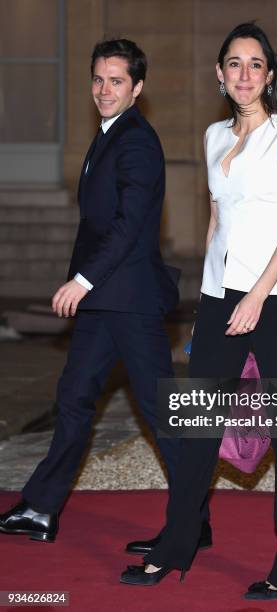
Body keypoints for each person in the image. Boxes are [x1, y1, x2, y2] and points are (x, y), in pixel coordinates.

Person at [119, 23, 277, 601]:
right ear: (219, 73)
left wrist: (256, 295)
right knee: (199, 429)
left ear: (269, 74)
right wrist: (211, 300)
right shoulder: (213, 137)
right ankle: (174, 548)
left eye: (255, 64)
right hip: (220, 299)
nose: (244, 74)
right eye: (233, 64)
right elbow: (217, 220)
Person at [0, 38, 212, 551]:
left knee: (159, 410)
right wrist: (87, 282)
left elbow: (129, 224)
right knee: (73, 399)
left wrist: (82, 280)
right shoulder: (109, 135)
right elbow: (97, 224)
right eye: (98, 79)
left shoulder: (136, 140)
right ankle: (41, 507)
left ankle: (191, 522)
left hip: (129, 300)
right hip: (105, 301)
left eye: (116, 81)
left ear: (137, 87)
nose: (104, 89)